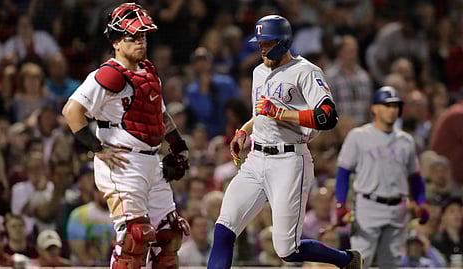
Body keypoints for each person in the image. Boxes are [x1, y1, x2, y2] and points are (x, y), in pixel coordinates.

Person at [207, 15, 361, 269]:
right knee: (224, 228)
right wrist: (244, 132)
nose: (262, 48)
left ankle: (346, 259)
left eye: (267, 43)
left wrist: (280, 113)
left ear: (283, 41)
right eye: (260, 43)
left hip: (290, 161)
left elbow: (327, 116)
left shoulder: (306, 71)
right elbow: (260, 114)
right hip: (256, 159)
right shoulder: (258, 71)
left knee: (287, 249)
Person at [62, 3, 190, 269]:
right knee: (135, 238)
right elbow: (72, 111)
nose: (140, 42)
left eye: (142, 37)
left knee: (169, 236)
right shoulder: (108, 74)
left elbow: (160, 114)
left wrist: (179, 146)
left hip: (153, 162)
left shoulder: (149, 71)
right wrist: (97, 148)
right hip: (123, 163)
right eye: (133, 38)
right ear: (117, 42)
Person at [334, 86, 431, 269]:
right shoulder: (359, 136)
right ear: (374, 108)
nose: (392, 110)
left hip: (398, 209)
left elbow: (415, 177)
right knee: (360, 261)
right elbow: (343, 172)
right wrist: (340, 204)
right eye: (387, 105)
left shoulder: (406, 141)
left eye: (395, 106)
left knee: (391, 263)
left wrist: (421, 201)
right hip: (367, 206)